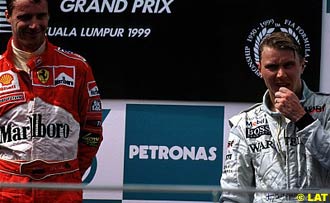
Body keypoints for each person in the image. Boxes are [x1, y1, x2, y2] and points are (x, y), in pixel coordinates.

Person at [0, 0, 103, 202]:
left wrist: (68, 176)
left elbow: (93, 132)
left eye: (41, 16)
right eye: (25, 17)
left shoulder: (77, 67)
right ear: (8, 16)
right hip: (8, 189)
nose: (34, 25)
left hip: (62, 190)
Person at [220, 31, 330, 203]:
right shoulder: (244, 123)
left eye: (288, 65)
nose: (280, 74)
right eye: (272, 67)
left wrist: (302, 119)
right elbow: (234, 194)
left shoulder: (328, 108)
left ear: (302, 65)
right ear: (260, 69)